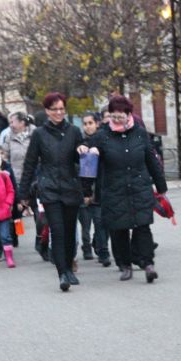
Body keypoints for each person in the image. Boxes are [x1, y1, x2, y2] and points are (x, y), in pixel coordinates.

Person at [86, 95, 167, 283]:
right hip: (114, 190)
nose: (116, 120)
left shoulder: (140, 133)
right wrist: (87, 150)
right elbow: (87, 155)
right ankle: (125, 265)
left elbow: (151, 160)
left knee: (143, 227)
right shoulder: (102, 136)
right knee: (119, 230)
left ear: (129, 114)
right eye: (113, 116)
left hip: (139, 187)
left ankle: (148, 264)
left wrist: (161, 185)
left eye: (120, 116)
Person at [18, 92, 85, 292]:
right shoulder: (39, 134)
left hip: (70, 186)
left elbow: (81, 160)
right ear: (47, 111)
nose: (58, 112)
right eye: (54, 109)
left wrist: (83, 149)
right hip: (49, 188)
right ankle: (62, 272)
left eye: (61, 109)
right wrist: (23, 194)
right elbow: (30, 164)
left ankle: (69, 266)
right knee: (57, 230)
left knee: (70, 231)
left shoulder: (74, 131)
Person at [79, 112, 111, 266]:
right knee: (98, 221)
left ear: (97, 123)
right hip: (93, 190)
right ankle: (103, 253)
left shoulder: (105, 138)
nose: (88, 127)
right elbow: (85, 173)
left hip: (108, 186)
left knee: (107, 223)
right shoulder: (82, 144)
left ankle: (97, 243)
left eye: (90, 123)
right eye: (85, 124)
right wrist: (86, 193)